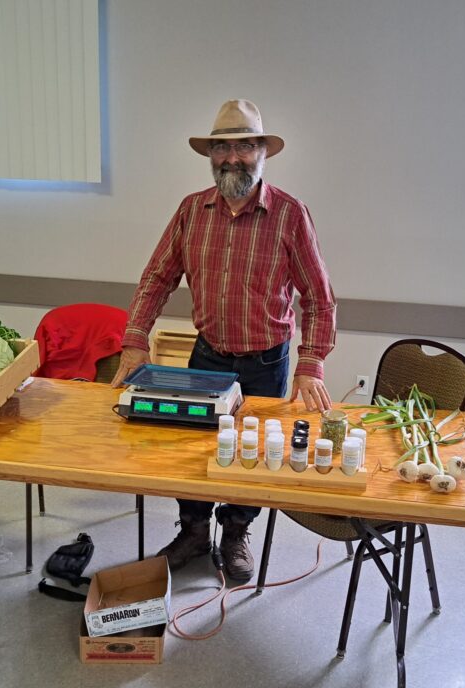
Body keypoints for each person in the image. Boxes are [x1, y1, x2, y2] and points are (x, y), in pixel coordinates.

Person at [111, 100, 337, 581]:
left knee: (250, 454)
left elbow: (319, 298)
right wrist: (135, 340)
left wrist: (310, 363)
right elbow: (156, 278)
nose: (233, 157)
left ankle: (235, 533)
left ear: (263, 152)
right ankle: (193, 532)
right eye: (222, 147)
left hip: (266, 362)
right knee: (193, 452)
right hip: (207, 356)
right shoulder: (192, 211)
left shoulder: (290, 215)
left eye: (245, 146)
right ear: (211, 155)